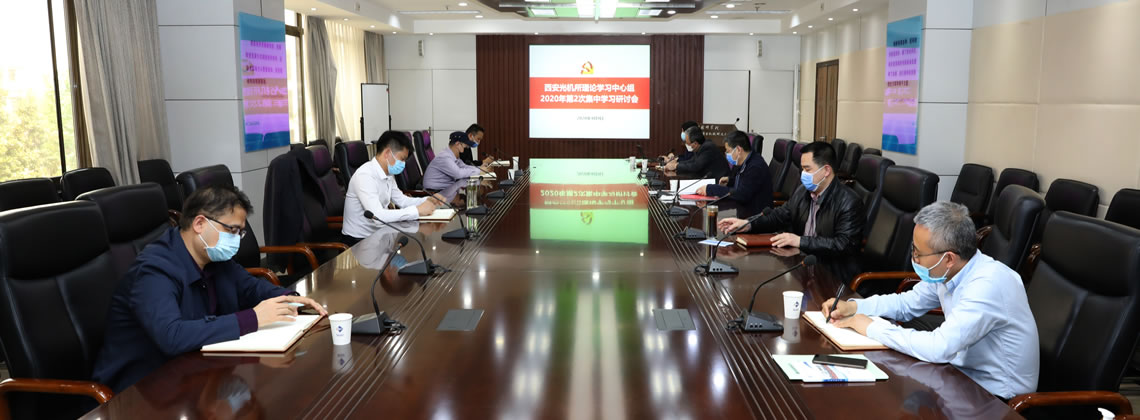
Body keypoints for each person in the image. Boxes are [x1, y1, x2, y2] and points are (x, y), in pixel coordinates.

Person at [91, 186, 328, 393]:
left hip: (194, 370)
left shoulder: (213, 257)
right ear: (200, 224)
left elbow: (251, 288)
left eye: (240, 232)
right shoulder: (154, 270)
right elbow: (171, 336)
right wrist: (254, 318)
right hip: (141, 389)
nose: (237, 239)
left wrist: (288, 299)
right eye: (232, 230)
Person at [821, 201, 1039, 400]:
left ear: (948, 258)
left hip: (997, 397)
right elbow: (907, 303)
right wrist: (855, 306)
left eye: (918, 253)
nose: (914, 258)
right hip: (959, 372)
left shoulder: (987, 286)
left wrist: (871, 327)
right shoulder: (949, 270)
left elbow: (938, 347)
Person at [716, 141, 863, 255]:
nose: (802, 174)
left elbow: (844, 245)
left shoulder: (849, 202)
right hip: (801, 261)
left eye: (807, 169)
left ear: (826, 170)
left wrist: (800, 241)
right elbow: (778, 216)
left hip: (831, 272)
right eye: (802, 169)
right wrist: (748, 224)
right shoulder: (803, 191)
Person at [342, 131, 443, 241]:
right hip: (360, 240)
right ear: (387, 153)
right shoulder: (365, 176)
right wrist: (417, 211)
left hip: (381, 234)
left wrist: (428, 200)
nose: (403, 164)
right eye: (402, 159)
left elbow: (402, 200)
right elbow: (378, 216)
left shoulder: (388, 173)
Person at [695, 131, 772, 219]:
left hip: (756, 218)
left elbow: (742, 194)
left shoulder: (756, 166)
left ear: (738, 149)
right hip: (743, 211)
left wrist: (710, 189)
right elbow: (747, 182)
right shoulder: (747, 161)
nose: (726, 154)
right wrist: (730, 181)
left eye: (728, 151)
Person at [424, 132, 491, 192]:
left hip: (445, 188)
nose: (466, 148)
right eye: (465, 146)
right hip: (435, 192)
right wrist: (479, 171)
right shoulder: (445, 157)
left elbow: (464, 166)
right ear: (458, 144)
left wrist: (481, 169)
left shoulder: (453, 156)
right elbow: (458, 174)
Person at [664, 126, 730, 179]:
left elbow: (696, 166)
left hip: (721, 182)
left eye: (688, 143)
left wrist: (676, 166)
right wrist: (677, 163)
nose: (686, 145)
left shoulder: (708, 147)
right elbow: (692, 161)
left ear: (695, 143)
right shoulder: (701, 146)